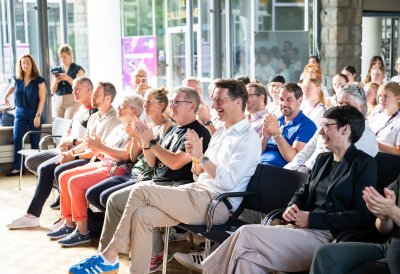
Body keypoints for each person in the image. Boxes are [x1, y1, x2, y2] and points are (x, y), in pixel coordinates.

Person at [69, 79, 261, 274]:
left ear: (238, 102)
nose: (214, 106)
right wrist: (197, 159)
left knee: (141, 191)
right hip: (198, 192)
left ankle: (109, 256)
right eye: (213, 100)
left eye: (220, 100)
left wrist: (200, 157)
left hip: (218, 205)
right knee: (141, 216)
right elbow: (198, 175)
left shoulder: (248, 138)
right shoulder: (221, 132)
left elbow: (227, 182)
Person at [202, 105, 378, 274]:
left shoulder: (364, 164)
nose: (321, 132)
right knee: (246, 259)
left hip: (327, 238)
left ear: (345, 129)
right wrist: (292, 207)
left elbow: (361, 216)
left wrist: (312, 219)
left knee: (246, 233)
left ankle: (207, 271)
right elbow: (303, 192)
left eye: (326, 126)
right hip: (300, 231)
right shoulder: (323, 159)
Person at [6, 81, 120, 229]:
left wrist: (73, 156)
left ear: (107, 98)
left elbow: (98, 150)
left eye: (95, 94)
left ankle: (62, 217)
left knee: (56, 170)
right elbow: (86, 143)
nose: (92, 96)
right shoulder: (95, 116)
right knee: (44, 168)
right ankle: (46, 215)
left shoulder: (113, 119)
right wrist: (71, 152)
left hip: (96, 161)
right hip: (84, 155)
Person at [46, 94, 143, 247]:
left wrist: (100, 148)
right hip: (104, 163)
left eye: (122, 105)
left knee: (74, 182)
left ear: (134, 111)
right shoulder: (119, 127)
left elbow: (127, 155)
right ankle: (69, 223)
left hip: (116, 169)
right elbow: (103, 149)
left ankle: (82, 231)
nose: (117, 107)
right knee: (64, 176)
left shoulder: (137, 130)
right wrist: (96, 149)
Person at [85, 87, 173, 212]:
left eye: (149, 102)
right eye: (145, 102)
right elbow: (133, 157)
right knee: (92, 194)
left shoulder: (167, 126)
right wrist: (135, 137)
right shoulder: (150, 125)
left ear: (161, 105)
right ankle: (104, 225)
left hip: (146, 176)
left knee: (106, 197)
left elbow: (151, 162)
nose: (145, 105)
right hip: (133, 172)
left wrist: (145, 140)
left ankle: (118, 226)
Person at [310, 175, 400, 274]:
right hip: (388, 247)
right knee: (324, 254)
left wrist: (393, 212)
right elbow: (384, 230)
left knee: (394, 252)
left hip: (395, 252)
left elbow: (393, 211)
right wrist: (384, 218)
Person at [285, 84, 378, 173]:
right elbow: (305, 152)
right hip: (302, 173)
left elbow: (335, 167)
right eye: (340, 103)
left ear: (361, 106)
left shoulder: (366, 136)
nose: (342, 108)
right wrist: (292, 169)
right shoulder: (329, 125)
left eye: (347, 104)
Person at [2, 54, 46, 176]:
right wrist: (5, 96)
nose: (25, 65)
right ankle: (17, 168)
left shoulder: (39, 80)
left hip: (34, 113)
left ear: (32, 64)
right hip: (20, 114)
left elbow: (42, 99)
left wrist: (38, 115)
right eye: (23, 63)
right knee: (17, 139)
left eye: (28, 63)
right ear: (20, 65)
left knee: (35, 141)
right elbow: (12, 88)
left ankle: (36, 168)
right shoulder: (17, 79)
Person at [260, 83, 317, 167]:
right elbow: (257, 153)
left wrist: (276, 133)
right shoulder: (276, 121)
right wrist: (265, 138)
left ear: (300, 101)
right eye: (281, 99)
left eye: (289, 99)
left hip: (278, 172)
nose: (284, 103)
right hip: (258, 165)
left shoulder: (307, 125)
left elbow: (295, 159)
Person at [50, 44, 85, 119]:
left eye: (64, 57)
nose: (62, 59)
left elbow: (80, 87)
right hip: (58, 101)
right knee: (59, 126)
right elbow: (52, 90)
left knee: (68, 124)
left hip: (72, 100)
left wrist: (67, 78)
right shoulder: (56, 70)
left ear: (70, 56)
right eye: (60, 57)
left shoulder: (78, 69)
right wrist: (56, 82)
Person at [369, 81, 400, 155]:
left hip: (386, 160)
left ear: (397, 98)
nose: (382, 99)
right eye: (380, 96)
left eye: (386, 96)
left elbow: (398, 152)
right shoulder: (376, 117)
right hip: (370, 155)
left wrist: (375, 144)